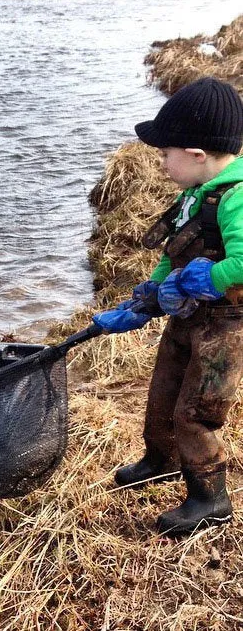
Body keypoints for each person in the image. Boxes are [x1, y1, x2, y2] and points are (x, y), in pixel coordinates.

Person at [92, 77, 243, 535]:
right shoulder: (196, 193)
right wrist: (149, 294)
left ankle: (209, 497)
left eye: (165, 153)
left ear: (197, 155)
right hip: (187, 318)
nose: (160, 162)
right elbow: (173, 249)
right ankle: (159, 460)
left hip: (226, 328)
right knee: (163, 393)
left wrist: (213, 279)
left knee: (195, 412)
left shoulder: (236, 198)